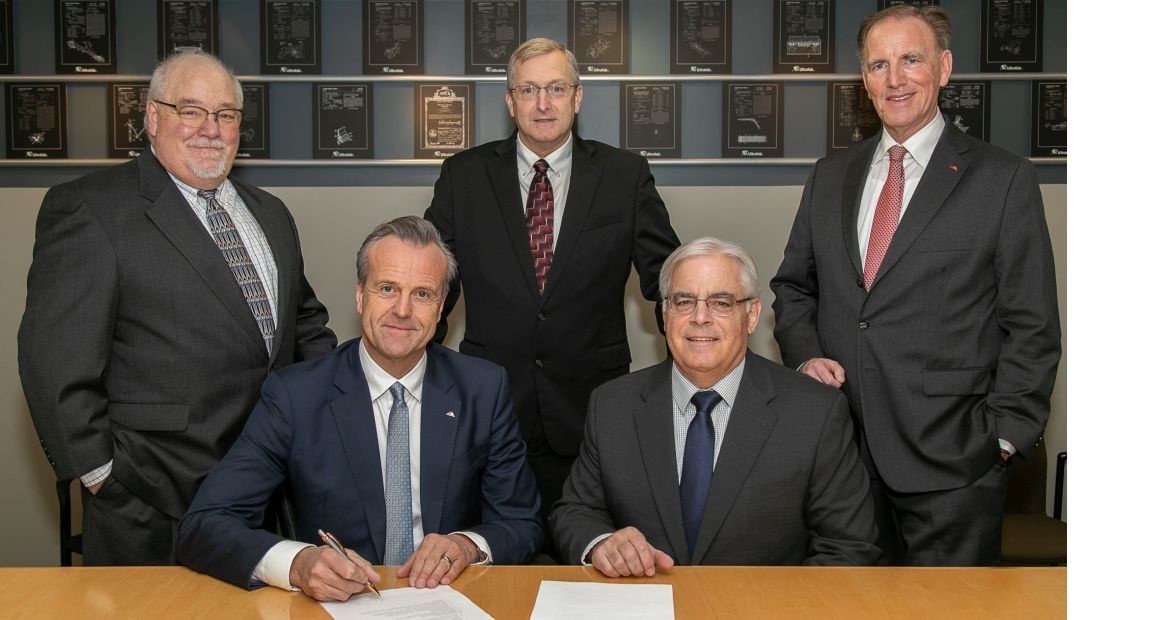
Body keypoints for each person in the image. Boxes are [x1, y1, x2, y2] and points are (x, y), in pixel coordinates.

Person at [17, 50, 336, 565]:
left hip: (265, 492)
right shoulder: (91, 208)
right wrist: (102, 476)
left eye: (225, 114)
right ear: (152, 116)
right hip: (152, 499)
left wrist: (334, 416)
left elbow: (303, 324)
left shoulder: (271, 213)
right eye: (190, 111)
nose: (210, 129)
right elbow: (54, 362)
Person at [770, 5, 1061, 566]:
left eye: (911, 59)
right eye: (879, 65)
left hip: (955, 464)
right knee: (847, 605)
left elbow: (1032, 322)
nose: (895, 79)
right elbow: (794, 287)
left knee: (949, 607)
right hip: (843, 460)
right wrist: (805, 355)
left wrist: (1003, 436)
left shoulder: (1003, 179)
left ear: (944, 68)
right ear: (864, 79)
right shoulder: (830, 175)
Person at [177, 216, 542, 601]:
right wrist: (299, 563)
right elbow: (205, 524)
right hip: (336, 604)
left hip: (449, 599)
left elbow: (521, 521)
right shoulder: (295, 395)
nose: (402, 310)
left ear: (440, 310)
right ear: (359, 296)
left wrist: (467, 545)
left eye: (422, 294)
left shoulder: (483, 389)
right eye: (387, 288)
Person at [424, 37, 681, 536]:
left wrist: (693, 357)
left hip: (590, 407)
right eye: (528, 90)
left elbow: (666, 278)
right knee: (491, 551)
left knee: (588, 552)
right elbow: (434, 282)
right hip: (490, 405)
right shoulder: (463, 175)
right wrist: (417, 376)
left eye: (556, 88)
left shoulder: (624, 175)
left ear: (577, 97)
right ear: (510, 101)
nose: (543, 103)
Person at [550, 237, 879, 575]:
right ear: (664, 313)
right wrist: (602, 544)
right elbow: (575, 511)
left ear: (752, 315)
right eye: (683, 301)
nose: (700, 317)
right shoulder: (611, 405)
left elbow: (848, 548)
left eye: (721, 303)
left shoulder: (815, 413)